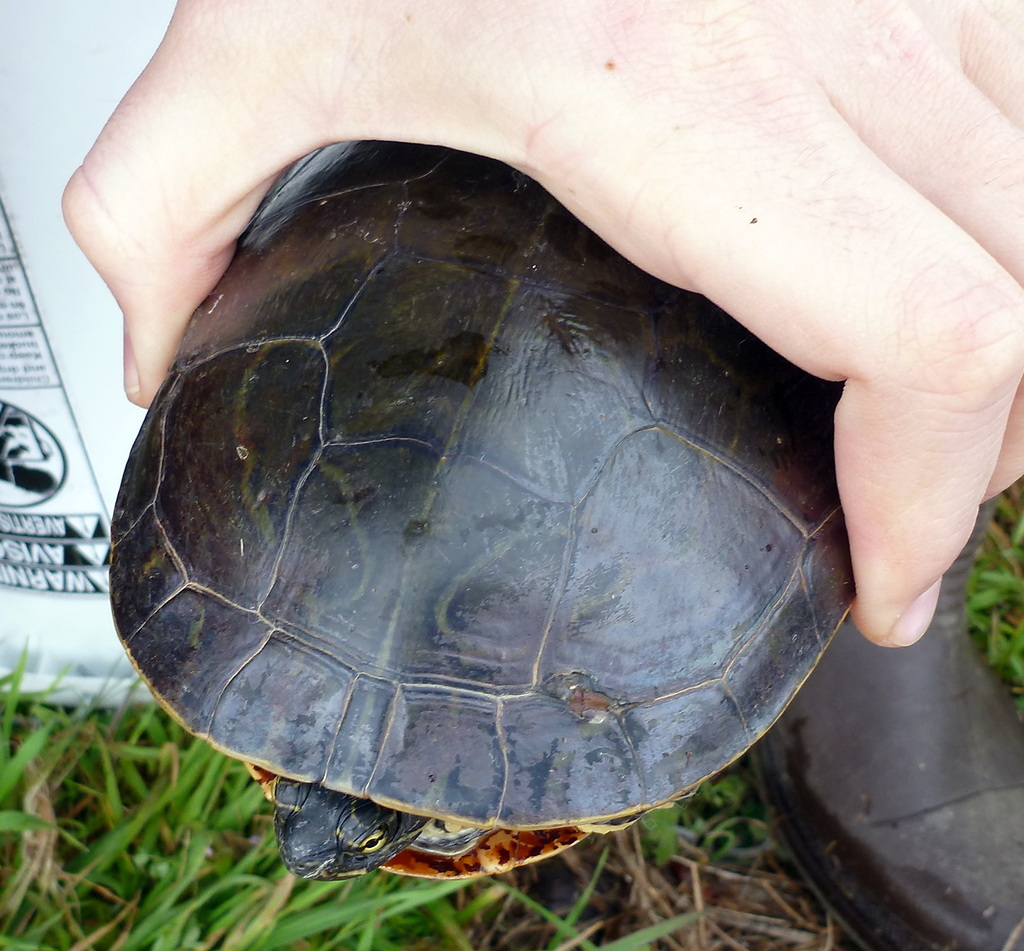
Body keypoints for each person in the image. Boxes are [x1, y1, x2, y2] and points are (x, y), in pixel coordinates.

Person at [62, 1, 1024, 947]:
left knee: (914, 299)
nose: (312, 851)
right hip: (392, 90)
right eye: (353, 831)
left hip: (719, 195)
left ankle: (892, 550)